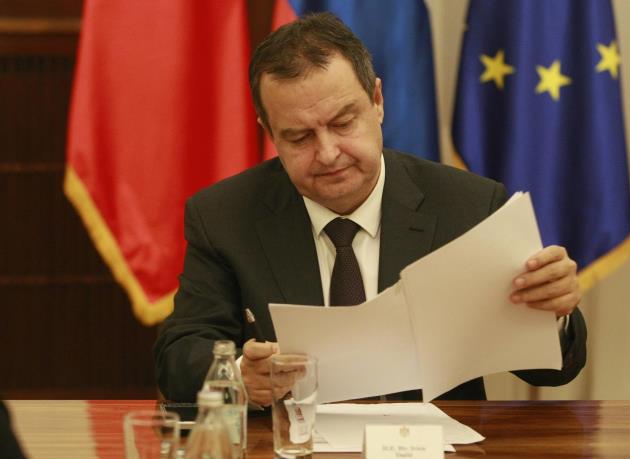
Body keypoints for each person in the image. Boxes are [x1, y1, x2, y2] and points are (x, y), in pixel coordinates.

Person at [154, 12, 585, 406]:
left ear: (377, 101)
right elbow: (179, 355)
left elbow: (549, 371)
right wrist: (238, 376)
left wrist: (552, 315)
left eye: (343, 123)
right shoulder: (224, 217)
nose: (328, 153)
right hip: (291, 446)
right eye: (299, 137)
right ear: (270, 132)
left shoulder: (468, 206)